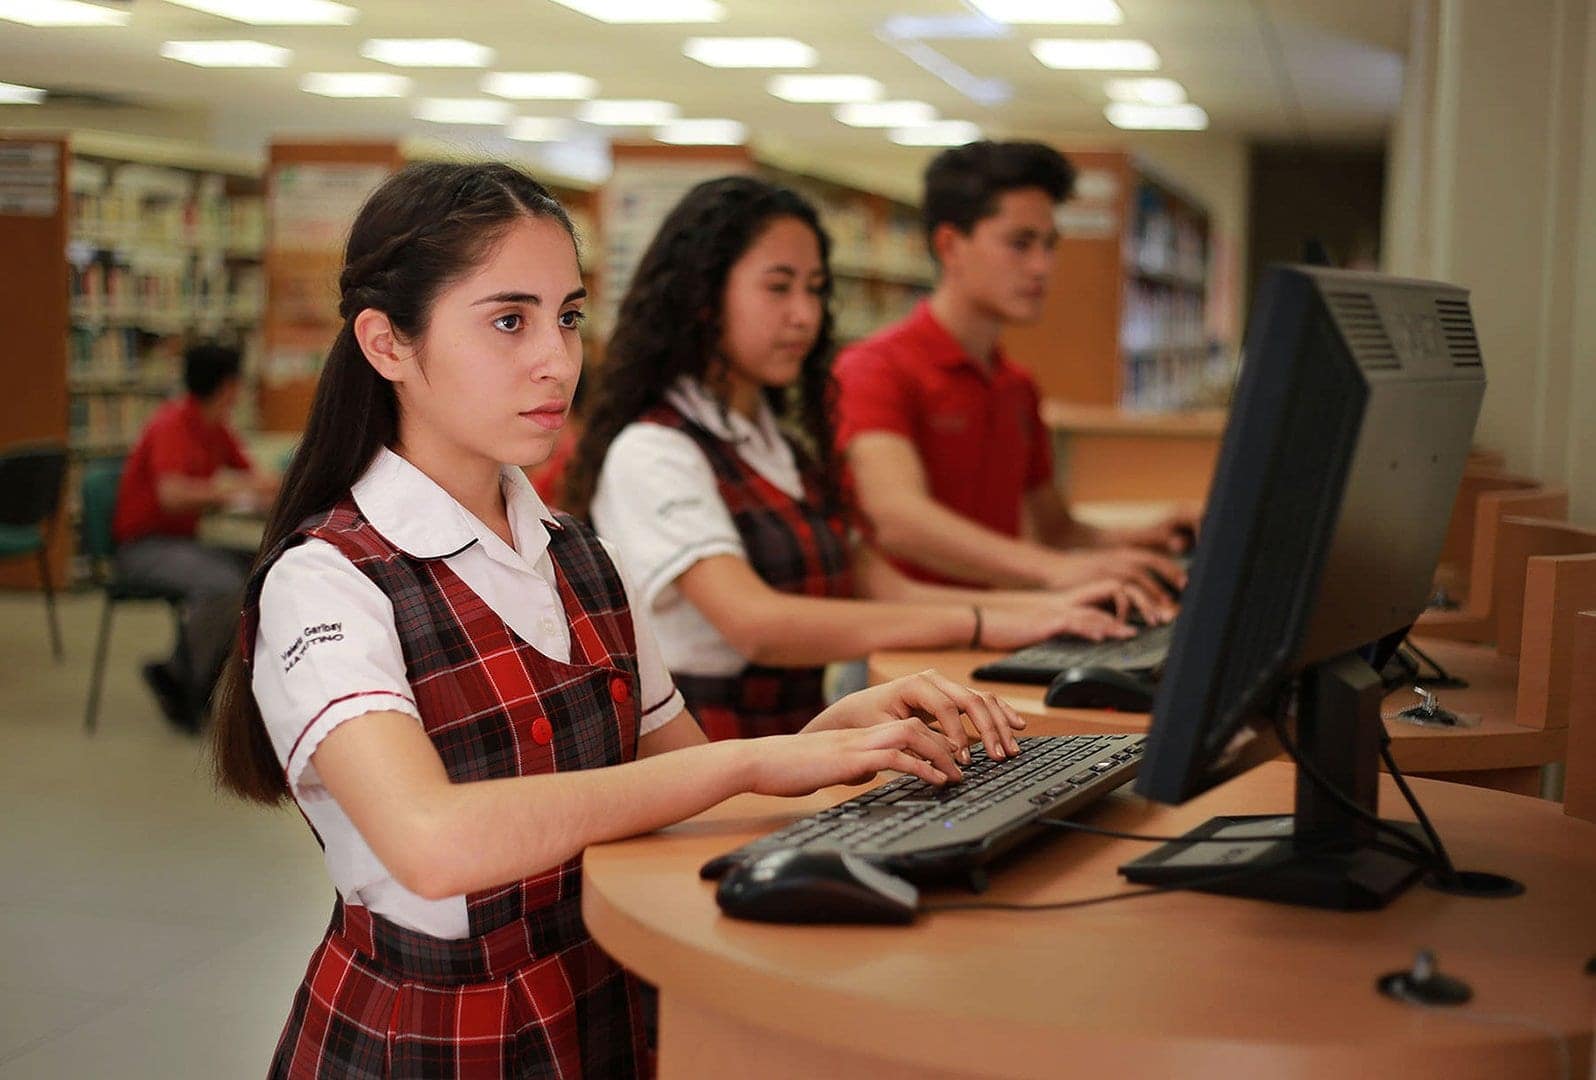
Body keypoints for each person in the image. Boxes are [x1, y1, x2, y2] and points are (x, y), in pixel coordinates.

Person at [210, 161, 1028, 1079]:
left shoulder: (580, 557)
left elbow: (686, 793)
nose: (557, 359)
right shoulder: (324, 581)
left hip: (609, 1002)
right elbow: (431, 842)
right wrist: (756, 756)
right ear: (387, 342)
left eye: (568, 316)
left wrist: (835, 745)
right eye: (508, 320)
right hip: (438, 1040)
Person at [564, 176, 1156, 742]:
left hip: (798, 745)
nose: (806, 314)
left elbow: (875, 583)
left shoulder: (779, 442)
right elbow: (757, 626)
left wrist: (1045, 612)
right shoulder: (653, 450)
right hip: (713, 754)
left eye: (816, 288)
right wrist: (984, 621)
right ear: (702, 297)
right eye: (779, 286)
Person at [833, 140, 1198, 593]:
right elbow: (896, 520)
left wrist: (1144, 537)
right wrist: (1052, 571)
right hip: (902, 646)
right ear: (950, 245)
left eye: (1049, 245)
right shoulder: (875, 368)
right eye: (1020, 244)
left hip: (1002, 626)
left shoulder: (1016, 386)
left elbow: (1056, 531)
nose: (1042, 266)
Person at [112, 342, 276, 731]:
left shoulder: (214, 425)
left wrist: (276, 488)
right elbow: (172, 495)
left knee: (262, 570)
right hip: (143, 547)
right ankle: (183, 677)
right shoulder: (172, 423)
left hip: (182, 542)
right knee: (224, 586)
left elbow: (252, 478)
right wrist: (232, 492)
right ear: (227, 386)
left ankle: (190, 674)